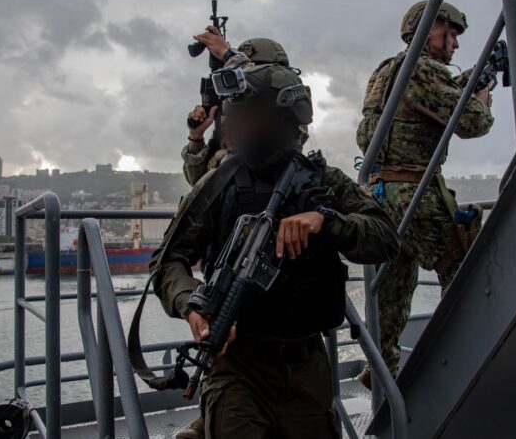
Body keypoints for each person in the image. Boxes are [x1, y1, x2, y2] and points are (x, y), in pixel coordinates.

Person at [154, 27, 400, 438]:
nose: (238, 129)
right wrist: (192, 306)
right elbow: (168, 262)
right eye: (236, 118)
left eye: (250, 118)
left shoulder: (323, 180)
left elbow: (385, 238)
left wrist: (326, 222)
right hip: (238, 364)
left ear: (282, 119)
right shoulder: (219, 183)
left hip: (306, 364)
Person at [355, 1, 495, 385]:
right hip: (413, 194)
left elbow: (424, 105)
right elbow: (472, 123)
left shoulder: (388, 70)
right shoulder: (423, 69)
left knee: (392, 288)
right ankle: (458, 367)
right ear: (428, 30)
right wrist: (481, 96)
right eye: (450, 34)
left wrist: (466, 82)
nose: (455, 44)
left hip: (380, 194)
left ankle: (379, 371)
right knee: (461, 273)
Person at [182, 38, 292, 186]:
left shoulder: (288, 104)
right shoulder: (233, 118)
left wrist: (228, 55)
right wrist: (196, 138)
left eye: (253, 70)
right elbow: (198, 182)